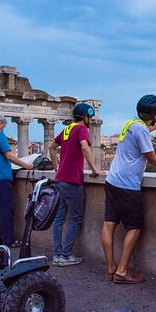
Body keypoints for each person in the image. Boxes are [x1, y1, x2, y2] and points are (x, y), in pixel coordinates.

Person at [102, 94, 156, 284]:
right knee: (135, 227)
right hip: (127, 185)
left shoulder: (131, 124)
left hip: (112, 180)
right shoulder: (141, 130)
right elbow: (152, 158)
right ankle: (122, 271)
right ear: (155, 113)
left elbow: (144, 130)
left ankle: (110, 268)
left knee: (109, 224)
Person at [49, 103, 102, 267]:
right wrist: (95, 169)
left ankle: (57, 255)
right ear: (84, 117)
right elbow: (85, 148)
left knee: (58, 219)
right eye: (90, 117)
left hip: (60, 179)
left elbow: (52, 147)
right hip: (72, 180)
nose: (91, 120)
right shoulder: (81, 129)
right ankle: (65, 256)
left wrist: (55, 166)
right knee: (75, 219)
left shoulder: (67, 129)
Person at [0, 114, 33, 247]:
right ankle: (8, 241)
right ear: (1, 123)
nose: (4, 128)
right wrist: (27, 165)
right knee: (5, 210)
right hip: (1, 177)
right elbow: (8, 155)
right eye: (5, 125)